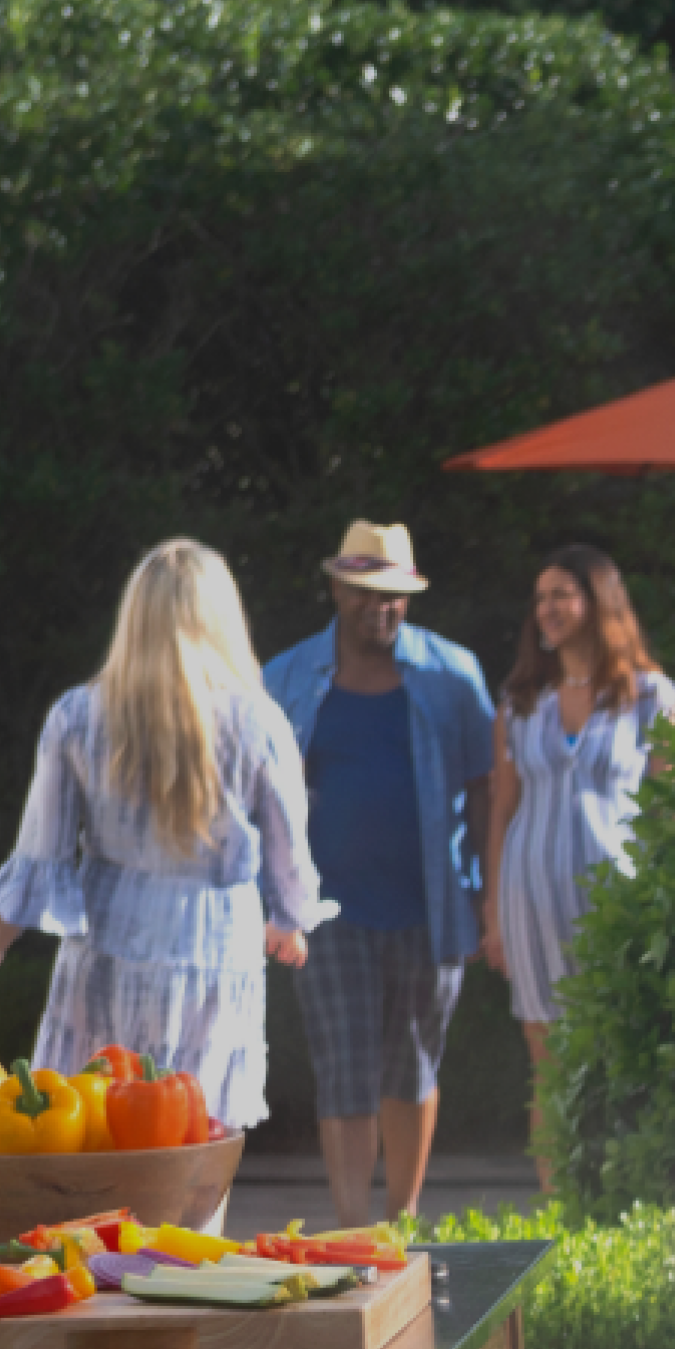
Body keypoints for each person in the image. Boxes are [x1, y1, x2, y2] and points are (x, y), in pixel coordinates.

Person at [0, 539, 317, 1127]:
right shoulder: (258, 721)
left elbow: (41, 855)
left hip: (106, 946)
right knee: (198, 1145)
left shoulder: (77, 717)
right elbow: (289, 857)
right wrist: (292, 920)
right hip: (214, 951)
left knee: (89, 1137)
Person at [262, 520, 495, 1228]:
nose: (380, 607)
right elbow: (257, 796)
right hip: (326, 910)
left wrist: (487, 895)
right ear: (337, 587)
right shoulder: (287, 676)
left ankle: (402, 1220)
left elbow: (486, 785)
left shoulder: (451, 674)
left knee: (413, 1066)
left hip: (430, 903)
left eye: (394, 594)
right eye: (366, 591)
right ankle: (350, 1227)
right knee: (344, 1067)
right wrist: (270, 903)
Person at [479, 546, 675, 1192]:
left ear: (598, 600)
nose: (547, 609)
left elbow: (674, 809)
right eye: (540, 598)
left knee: (619, 1058)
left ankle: (619, 1202)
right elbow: (502, 808)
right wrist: (492, 913)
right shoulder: (519, 702)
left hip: (616, 905)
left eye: (561, 593)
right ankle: (560, 1213)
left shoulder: (649, 696)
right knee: (550, 1067)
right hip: (529, 902)